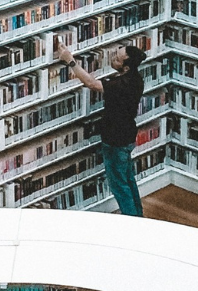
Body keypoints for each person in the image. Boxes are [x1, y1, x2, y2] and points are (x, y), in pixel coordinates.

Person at [55, 40, 148, 217]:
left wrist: (71, 61)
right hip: (128, 136)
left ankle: (132, 221)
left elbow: (91, 84)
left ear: (126, 68)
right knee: (128, 179)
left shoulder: (121, 85)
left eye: (118, 59)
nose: (112, 58)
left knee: (119, 185)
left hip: (115, 140)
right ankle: (139, 218)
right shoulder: (136, 79)